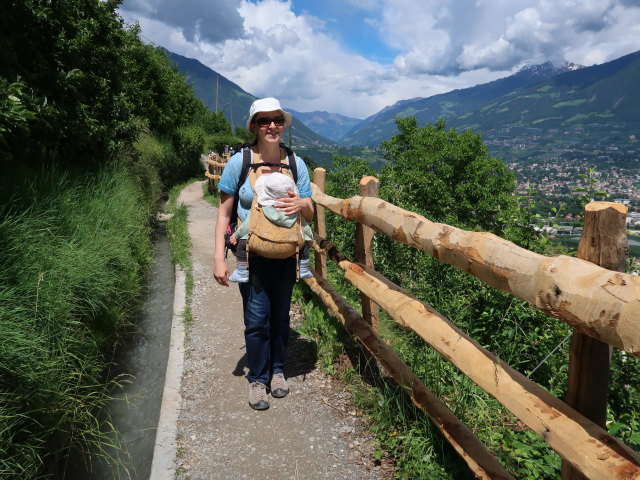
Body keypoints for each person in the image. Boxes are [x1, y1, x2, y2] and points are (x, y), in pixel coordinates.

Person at [213, 98, 314, 410]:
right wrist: (218, 258)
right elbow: (223, 213)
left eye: (277, 120)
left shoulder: (296, 164)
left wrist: (302, 205)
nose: (272, 125)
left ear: (283, 124)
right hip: (252, 255)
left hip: (286, 254)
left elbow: (310, 211)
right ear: (254, 126)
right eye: (264, 120)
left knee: (280, 315)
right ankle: (258, 378)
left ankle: (278, 370)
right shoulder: (239, 162)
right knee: (257, 318)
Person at [228, 171, 313, 283]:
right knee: (304, 243)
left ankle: (242, 273)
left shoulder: (259, 208)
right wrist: (310, 239)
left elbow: (247, 226)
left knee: (242, 245)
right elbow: (305, 227)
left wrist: (236, 235)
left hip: (260, 246)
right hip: (290, 247)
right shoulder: (294, 210)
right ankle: (303, 269)